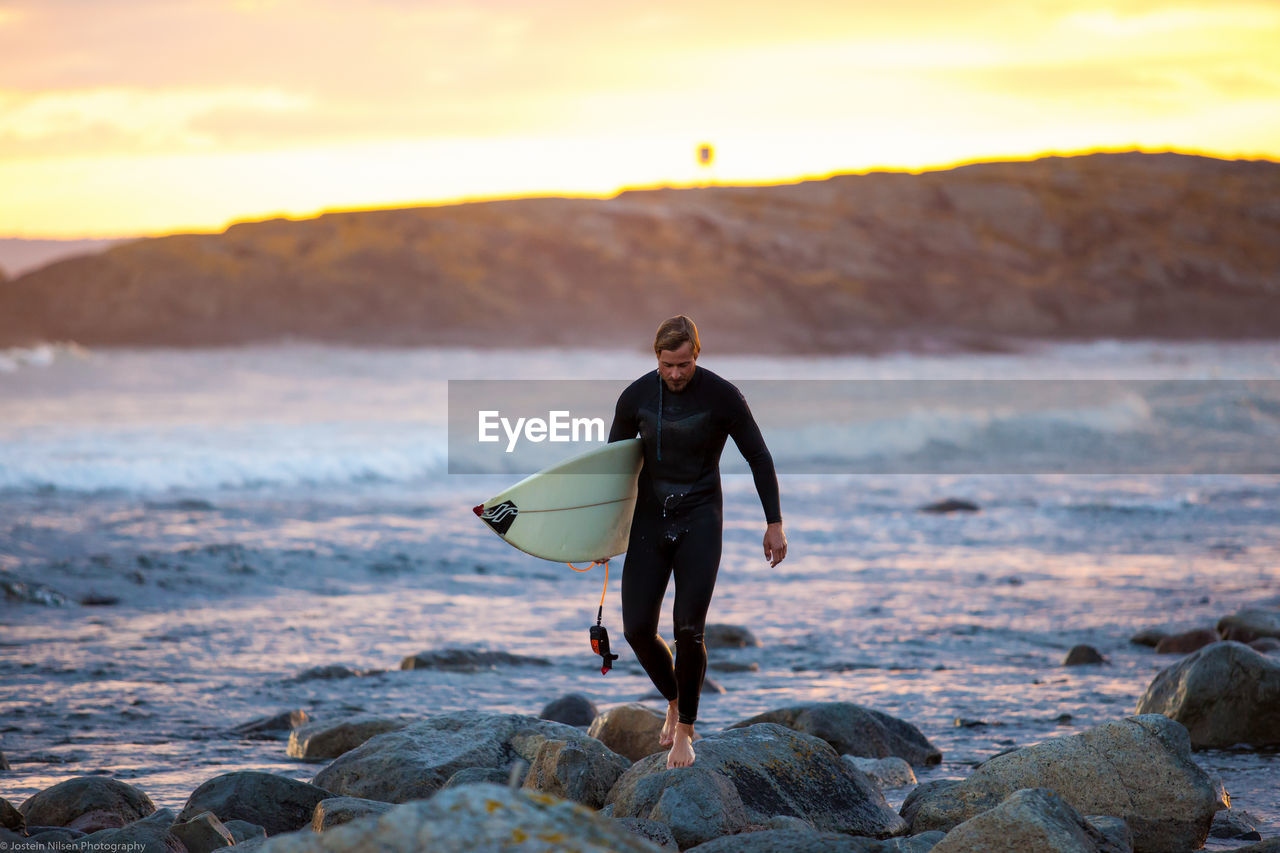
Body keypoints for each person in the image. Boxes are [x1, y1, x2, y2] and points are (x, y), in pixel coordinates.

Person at [607, 315, 787, 768]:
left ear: (697, 356)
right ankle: (673, 698)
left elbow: (758, 457)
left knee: (689, 627)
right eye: (668, 365)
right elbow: (612, 469)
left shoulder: (722, 396)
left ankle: (686, 729)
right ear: (657, 359)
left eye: (684, 364)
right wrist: (599, 533)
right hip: (649, 519)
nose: (675, 374)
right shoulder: (636, 397)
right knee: (636, 630)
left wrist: (774, 522)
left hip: (701, 518)